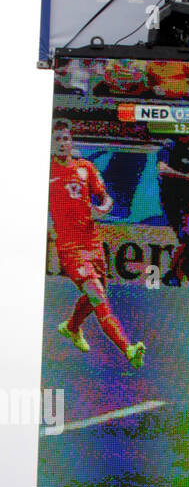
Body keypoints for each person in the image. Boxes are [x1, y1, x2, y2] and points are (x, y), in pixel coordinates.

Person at [49, 121, 145, 370]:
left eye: (66, 138)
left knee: (97, 292)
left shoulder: (86, 168)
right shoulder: (45, 170)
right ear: (51, 143)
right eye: (57, 139)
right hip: (70, 248)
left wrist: (101, 208)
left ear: (71, 142)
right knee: (96, 294)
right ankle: (128, 348)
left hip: (92, 243)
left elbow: (106, 199)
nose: (62, 143)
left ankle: (71, 327)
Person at [157, 135, 189, 286]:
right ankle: (170, 273)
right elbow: (162, 170)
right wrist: (185, 177)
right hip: (172, 203)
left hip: (188, 204)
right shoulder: (167, 150)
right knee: (186, 238)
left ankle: (175, 276)